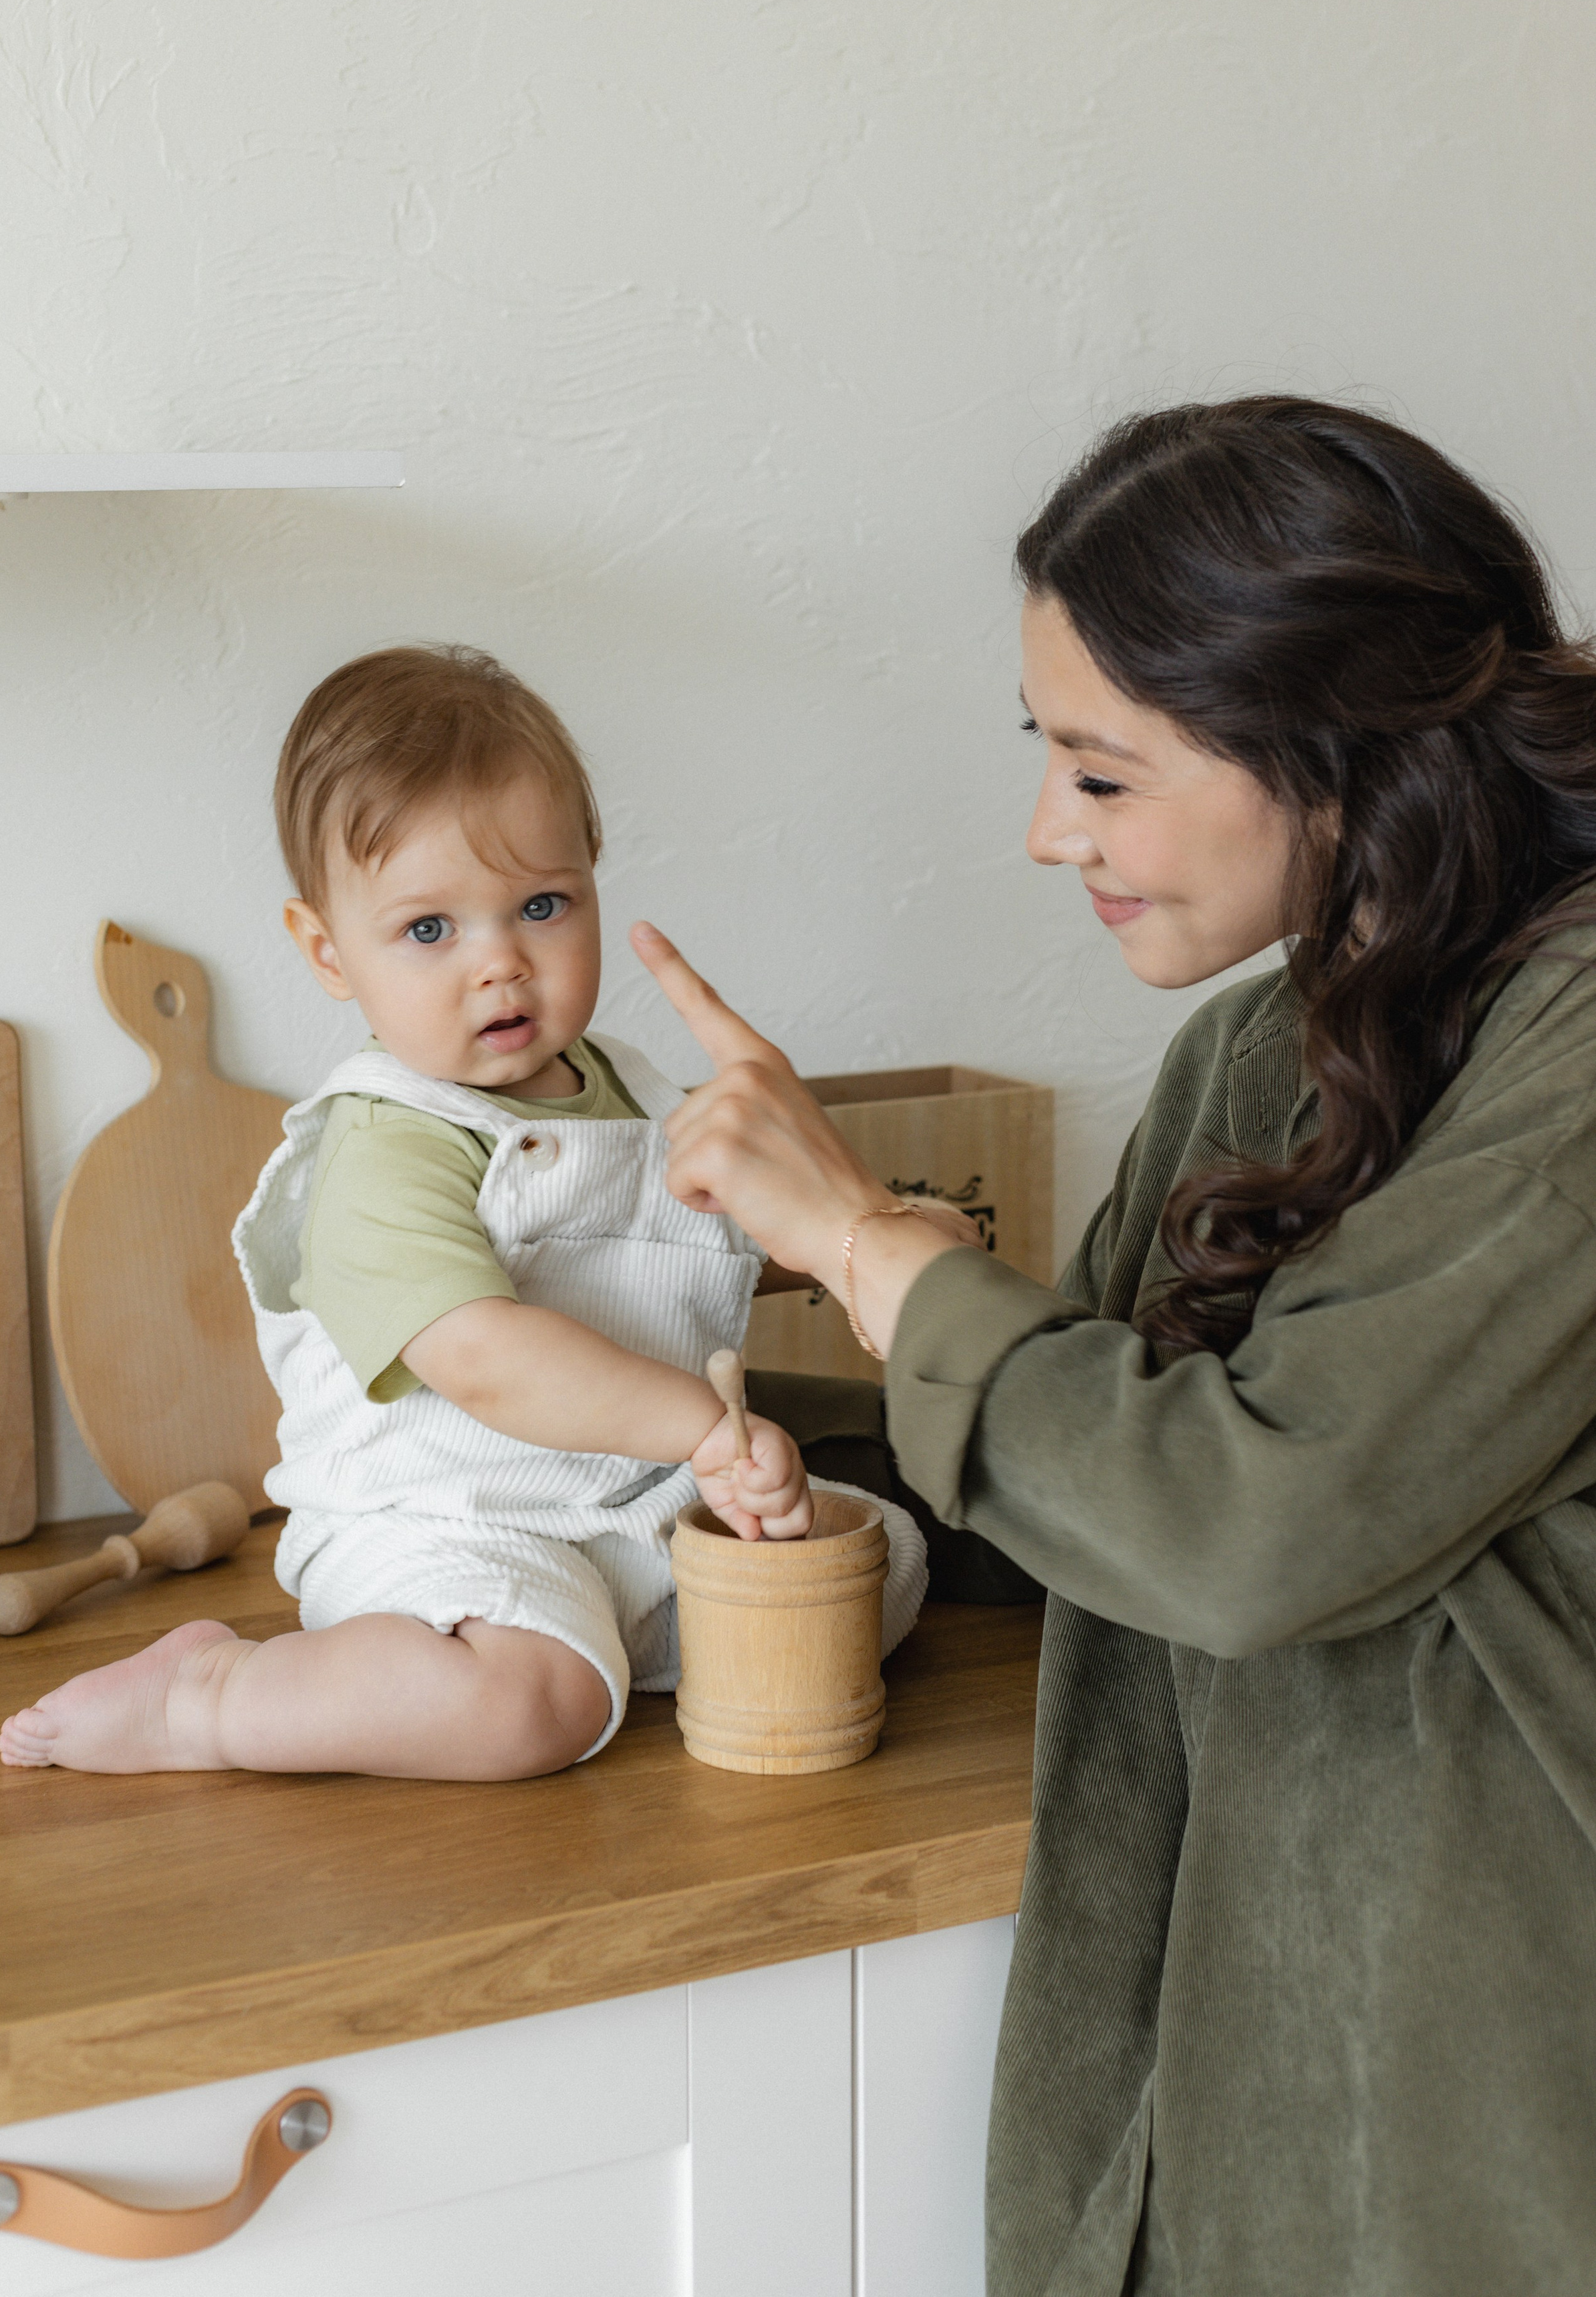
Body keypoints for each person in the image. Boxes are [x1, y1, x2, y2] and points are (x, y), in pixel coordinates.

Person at [632, 396, 1596, 2296]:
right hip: (1242, 2086)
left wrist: (858, 1232)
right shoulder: (1258, 1049)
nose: (1046, 832)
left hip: (1498, 2108)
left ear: (1329, 749)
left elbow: (1247, 1524)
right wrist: (648, 1433)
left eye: (1102, 771)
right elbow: (1082, 1457)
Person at [0, 646, 925, 1782]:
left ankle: (636, 1649)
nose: (503, 966)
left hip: (631, 1502)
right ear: (328, 950)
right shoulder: (380, 1147)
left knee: (874, 1567)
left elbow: (726, 1236)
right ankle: (215, 1697)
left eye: (541, 906)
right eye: (431, 930)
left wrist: (876, 1240)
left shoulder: (633, 1089)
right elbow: (482, 1358)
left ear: (594, 880)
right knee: (522, 1707)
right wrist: (697, 1427)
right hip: (445, 1525)